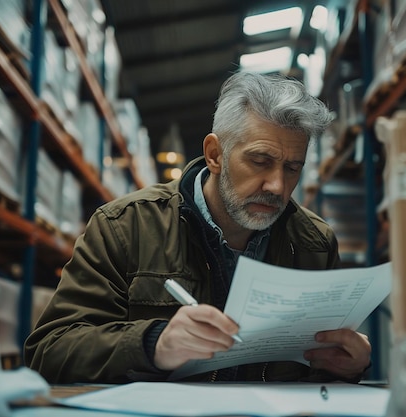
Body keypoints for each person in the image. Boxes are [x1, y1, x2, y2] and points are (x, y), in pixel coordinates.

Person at [24, 71, 372, 384]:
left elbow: (319, 376)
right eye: (260, 161)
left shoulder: (313, 244)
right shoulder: (125, 226)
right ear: (215, 154)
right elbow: (49, 351)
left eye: (293, 168)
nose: (278, 186)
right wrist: (153, 344)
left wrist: (348, 366)